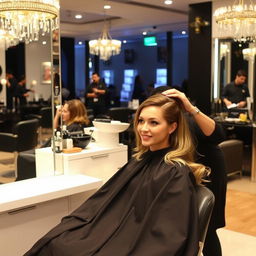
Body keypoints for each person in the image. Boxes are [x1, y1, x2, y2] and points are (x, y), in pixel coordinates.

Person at [25, 94, 208, 256]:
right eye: (141, 121)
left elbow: (168, 235)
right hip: (115, 230)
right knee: (56, 242)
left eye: (154, 122)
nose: (143, 128)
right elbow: (105, 203)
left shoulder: (174, 172)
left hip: (138, 242)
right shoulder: (140, 160)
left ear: (172, 127)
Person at [162, 88, 227, 256]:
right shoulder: (166, 124)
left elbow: (219, 135)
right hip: (190, 175)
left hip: (210, 174)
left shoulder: (190, 121)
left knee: (208, 230)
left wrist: (191, 108)